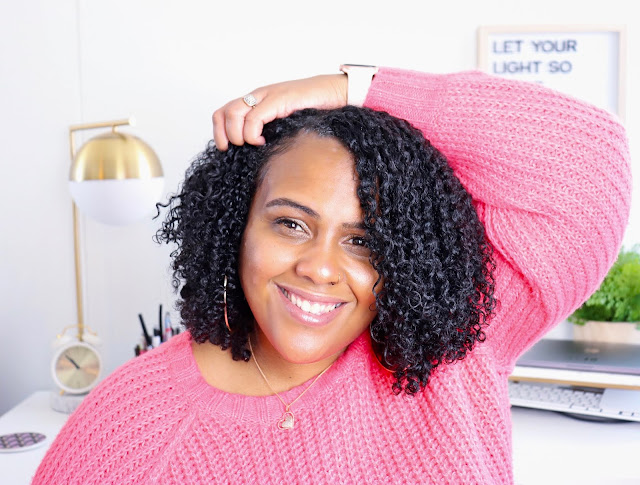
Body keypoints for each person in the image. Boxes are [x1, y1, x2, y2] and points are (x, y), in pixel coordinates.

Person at [33, 66, 631, 484]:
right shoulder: (129, 429)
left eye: (362, 241)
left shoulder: (453, 348)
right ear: (236, 225)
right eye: (291, 224)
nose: (319, 267)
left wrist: (352, 86)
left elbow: (588, 162)